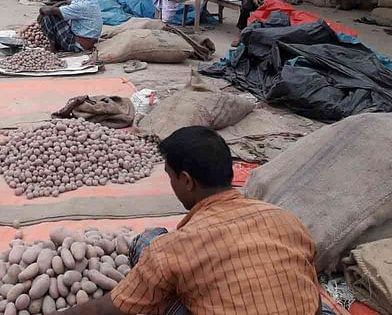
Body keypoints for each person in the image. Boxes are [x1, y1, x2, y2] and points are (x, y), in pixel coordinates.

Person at [60, 126, 323, 315]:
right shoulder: (286, 220)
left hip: (167, 258)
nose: (171, 184)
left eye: (170, 176)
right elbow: (311, 290)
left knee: (150, 240)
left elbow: (113, 307)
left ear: (186, 180)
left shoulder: (172, 249)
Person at [38, 0, 102, 53]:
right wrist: (62, 2)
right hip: (89, 42)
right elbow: (70, 0)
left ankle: (53, 46)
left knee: (48, 16)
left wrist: (45, 11)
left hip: (79, 45)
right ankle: (57, 43)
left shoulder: (80, 6)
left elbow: (45, 10)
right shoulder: (92, 1)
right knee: (59, 13)